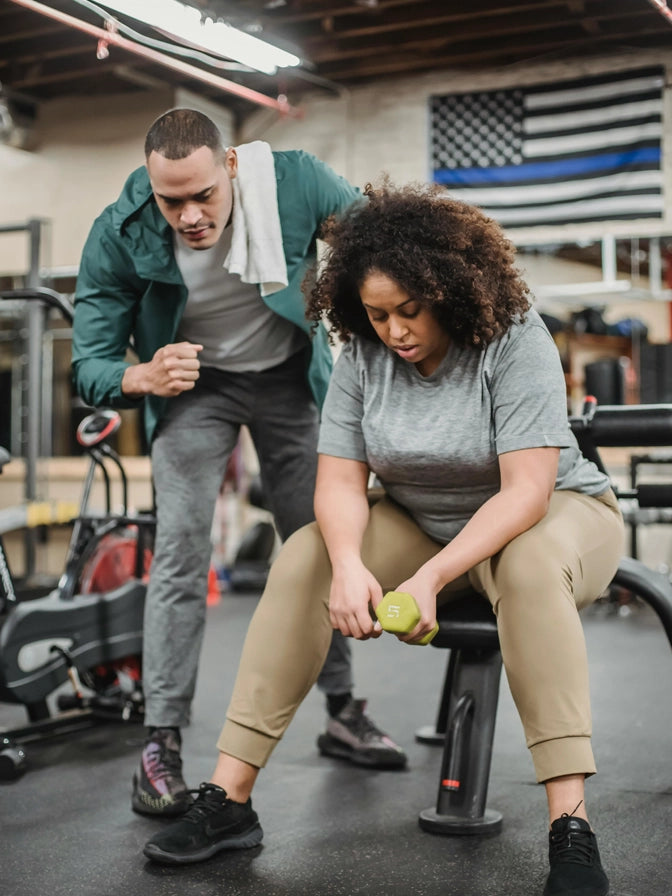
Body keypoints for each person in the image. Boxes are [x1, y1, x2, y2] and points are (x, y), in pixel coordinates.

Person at [141, 180, 625, 896]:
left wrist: (428, 579)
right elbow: (338, 482)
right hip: (422, 517)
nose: (394, 330)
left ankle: (571, 827)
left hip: (550, 514)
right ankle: (230, 799)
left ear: (451, 292)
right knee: (304, 553)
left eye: (410, 311)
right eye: (376, 314)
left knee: (527, 568)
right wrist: (345, 565)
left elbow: (525, 490)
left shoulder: (513, 335)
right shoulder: (364, 353)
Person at [71, 110, 407, 818]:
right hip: (194, 389)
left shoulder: (294, 182)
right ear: (152, 188)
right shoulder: (120, 230)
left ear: (230, 167)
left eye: (203, 197)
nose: (190, 216)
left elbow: (385, 240)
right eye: (172, 202)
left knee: (316, 545)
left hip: (289, 378)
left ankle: (344, 710)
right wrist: (142, 376)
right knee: (181, 555)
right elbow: (91, 365)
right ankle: (158, 744)